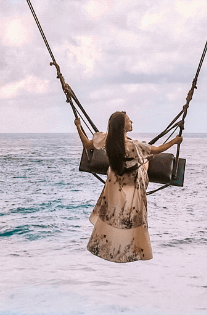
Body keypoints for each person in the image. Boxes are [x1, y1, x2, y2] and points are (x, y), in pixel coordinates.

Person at [75, 112, 182, 263]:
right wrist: (175, 141)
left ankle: (141, 160)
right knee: (145, 161)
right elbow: (158, 150)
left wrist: (78, 126)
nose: (131, 121)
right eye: (128, 120)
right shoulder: (134, 145)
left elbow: (86, 144)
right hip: (133, 181)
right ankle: (144, 160)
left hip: (115, 179)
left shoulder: (106, 139)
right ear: (122, 126)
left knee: (137, 158)